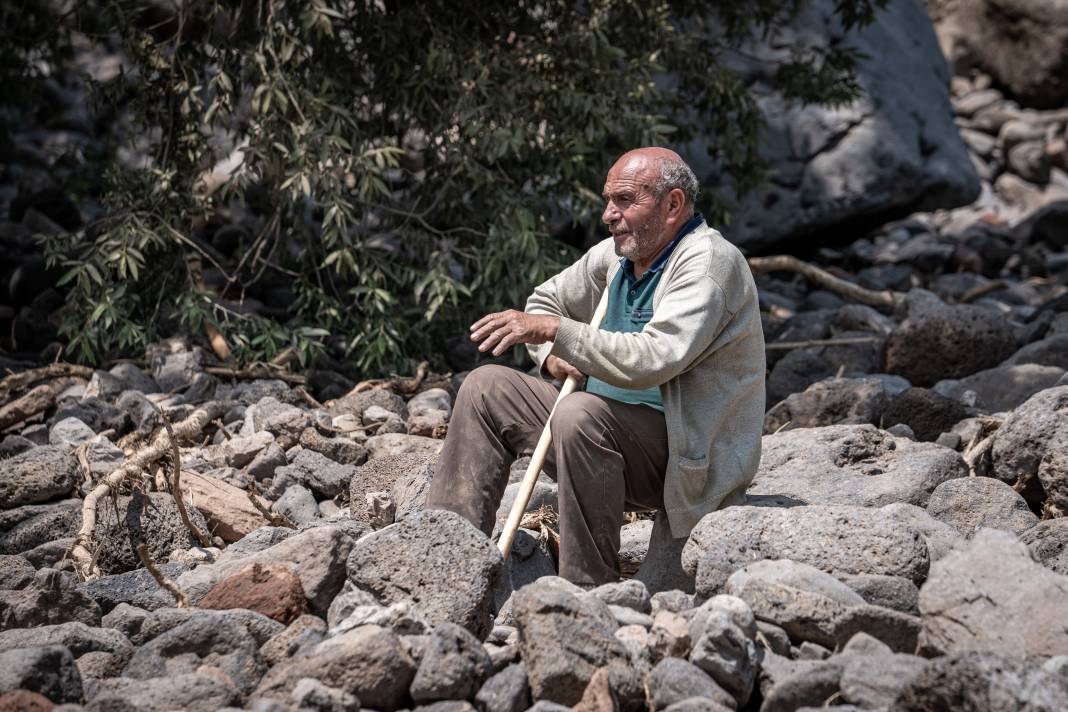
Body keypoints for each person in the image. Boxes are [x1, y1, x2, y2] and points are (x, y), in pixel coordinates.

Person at [425, 147, 765, 585]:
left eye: (624, 201)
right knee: (485, 387)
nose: (608, 214)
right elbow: (545, 301)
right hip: (600, 438)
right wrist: (551, 357)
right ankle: (446, 559)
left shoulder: (708, 263)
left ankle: (587, 590)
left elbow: (654, 358)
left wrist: (556, 330)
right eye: (608, 200)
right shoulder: (616, 257)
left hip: (685, 460)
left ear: (673, 205)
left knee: (577, 415)